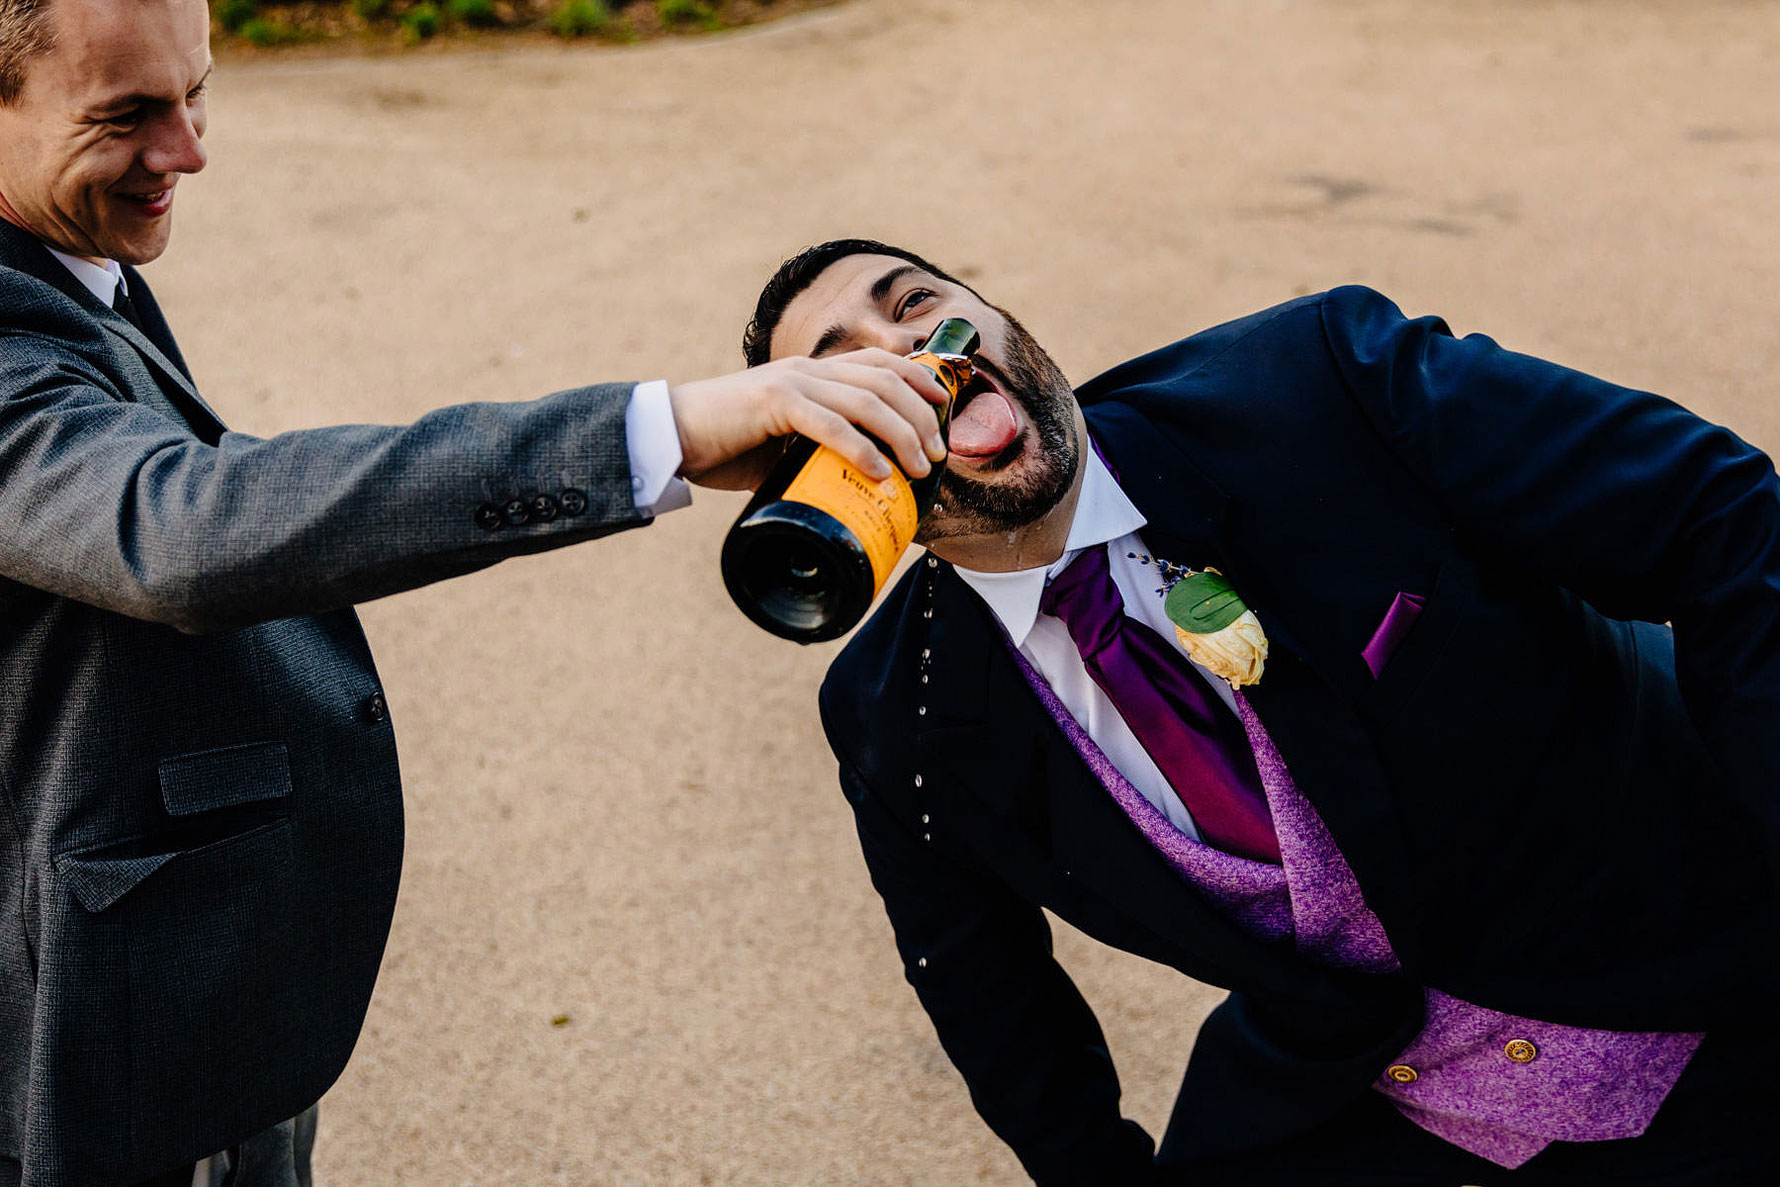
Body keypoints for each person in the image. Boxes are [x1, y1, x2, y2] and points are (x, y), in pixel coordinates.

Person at [0, 1, 951, 1182]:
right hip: (90, 1016)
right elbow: (180, 522)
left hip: (196, 980)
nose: (191, 150)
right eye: (129, 115)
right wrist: (663, 429)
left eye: (197, 92)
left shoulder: (57, 236)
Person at [743, 238, 1780, 1185]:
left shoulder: (1321, 381)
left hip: (1716, 960)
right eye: (848, 369)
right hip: (1368, 1092)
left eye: (919, 304)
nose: (910, 349)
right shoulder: (895, 717)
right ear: (831, 472)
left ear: (1000, 321)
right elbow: (990, 996)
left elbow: (1722, 519)